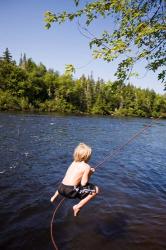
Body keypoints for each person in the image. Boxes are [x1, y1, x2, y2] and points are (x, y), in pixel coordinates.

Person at [50, 143, 99, 216]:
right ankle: (77, 206)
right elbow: (83, 183)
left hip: (60, 189)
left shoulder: (73, 163)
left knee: (67, 180)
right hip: (70, 191)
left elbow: (67, 178)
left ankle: (53, 197)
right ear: (87, 156)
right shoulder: (87, 166)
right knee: (96, 190)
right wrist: (90, 173)